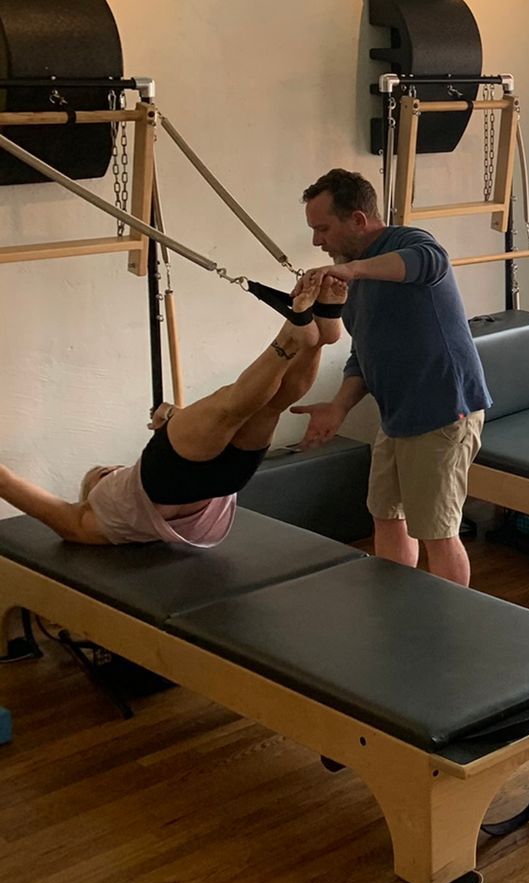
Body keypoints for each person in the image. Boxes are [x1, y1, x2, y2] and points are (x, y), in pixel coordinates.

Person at [0, 275, 344, 547]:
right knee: (231, 405)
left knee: (270, 406)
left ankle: (317, 334)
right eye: (102, 474)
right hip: (175, 479)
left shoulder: (118, 527)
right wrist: (173, 422)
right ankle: (294, 334)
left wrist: (174, 418)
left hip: (225, 479)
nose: (111, 470)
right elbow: (9, 483)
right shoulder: (91, 519)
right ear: (88, 497)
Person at [291, 168, 490, 586]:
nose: (317, 242)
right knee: (385, 515)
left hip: (443, 413)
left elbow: (432, 262)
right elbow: (363, 353)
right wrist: (338, 407)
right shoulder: (352, 276)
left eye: (323, 228)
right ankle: (398, 609)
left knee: (437, 532)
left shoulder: (408, 243)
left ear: (358, 220)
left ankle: (450, 622)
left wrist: (354, 270)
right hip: (397, 417)